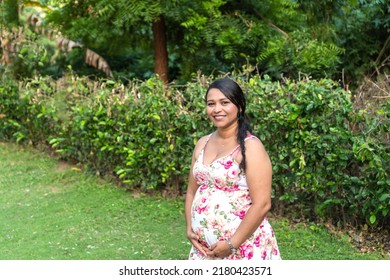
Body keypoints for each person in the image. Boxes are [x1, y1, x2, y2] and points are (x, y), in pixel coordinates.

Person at [185, 77, 281, 260]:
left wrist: (232, 244)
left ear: (240, 106)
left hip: (243, 248)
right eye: (211, 103)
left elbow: (262, 204)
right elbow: (191, 191)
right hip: (203, 251)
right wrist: (190, 227)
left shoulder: (251, 147)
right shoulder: (202, 143)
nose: (217, 109)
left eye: (224, 102)